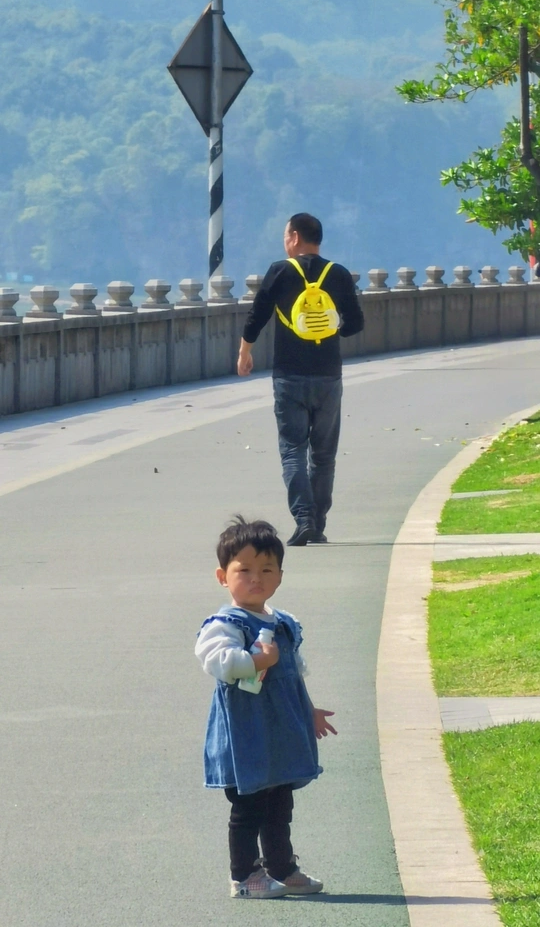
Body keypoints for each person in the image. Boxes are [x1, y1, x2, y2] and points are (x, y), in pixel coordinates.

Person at [195, 516, 336, 899]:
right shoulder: (225, 624)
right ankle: (244, 876)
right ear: (223, 576)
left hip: (280, 731)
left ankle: (281, 867)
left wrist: (308, 709)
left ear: (279, 577)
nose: (256, 578)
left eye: (267, 570)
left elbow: (293, 673)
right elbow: (218, 662)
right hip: (246, 736)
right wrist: (257, 660)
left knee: (279, 805)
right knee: (248, 807)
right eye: (244, 570)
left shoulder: (283, 622)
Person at [237, 213, 364, 545]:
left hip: (289, 376)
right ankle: (318, 524)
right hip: (328, 376)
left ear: (294, 237)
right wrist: (332, 328)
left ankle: (303, 518)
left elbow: (257, 315)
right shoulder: (337, 273)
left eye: (285, 235)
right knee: (324, 455)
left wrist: (244, 352)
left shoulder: (280, 271)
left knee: (293, 449)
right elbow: (355, 324)